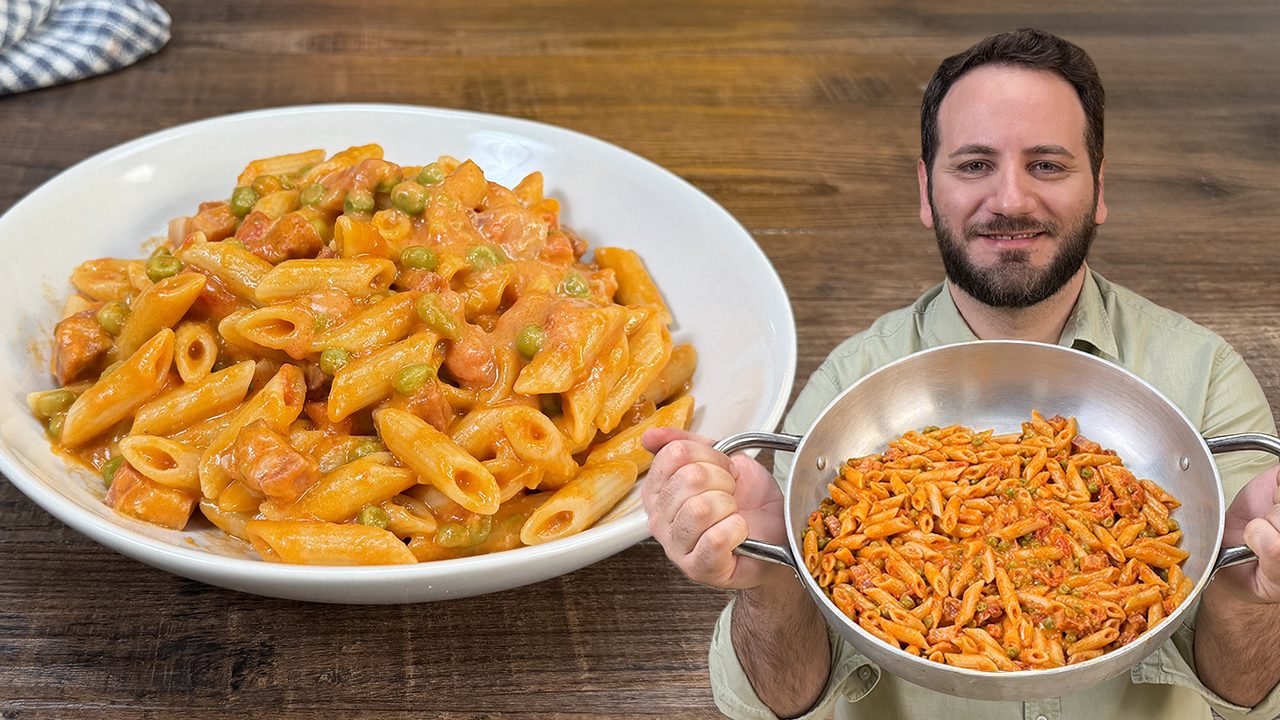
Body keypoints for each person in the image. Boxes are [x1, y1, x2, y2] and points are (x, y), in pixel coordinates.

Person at [640, 28, 1280, 720]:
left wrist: (1247, 594)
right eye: (974, 165)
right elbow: (774, 706)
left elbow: (1248, 699)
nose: (1010, 200)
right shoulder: (854, 388)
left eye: (1047, 166)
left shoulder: (1202, 375)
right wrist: (770, 583)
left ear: (1099, 188)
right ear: (926, 190)